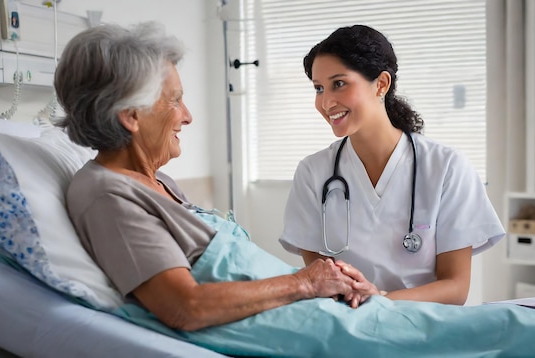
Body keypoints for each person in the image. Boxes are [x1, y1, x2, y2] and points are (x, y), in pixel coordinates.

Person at [54, 21, 360, 332]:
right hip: (305, 326)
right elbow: (186, 307)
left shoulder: (159, 182)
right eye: (175, 100)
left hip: (311, 310)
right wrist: (305, 282)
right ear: (131, 115)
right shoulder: (107, 195)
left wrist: (329, 282)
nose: (187, 116)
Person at [279, 25, 505, 307]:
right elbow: (319, 284)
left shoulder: (447, 168)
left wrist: (381, 300)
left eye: (339, 83)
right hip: (346, 327)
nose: (325, 102)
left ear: (381, 84)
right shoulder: (313, 173)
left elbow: (455, 289)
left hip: (426, 328)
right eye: (319, 88)